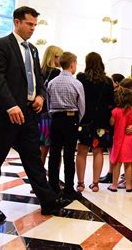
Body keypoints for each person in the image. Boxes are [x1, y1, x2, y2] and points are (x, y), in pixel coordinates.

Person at [0, 6, 68, 221]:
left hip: (28, 115)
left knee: (33, 159)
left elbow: (39, 79)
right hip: (6, 114)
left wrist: (40, 96)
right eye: (29, 24)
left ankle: (47, 201)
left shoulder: (34, 50)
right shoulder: (1, 45)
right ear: (17, 22)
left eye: (35, 25)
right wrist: (11, 105)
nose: (32, 29)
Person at [47, 52, 85, 200]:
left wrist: (54, 116)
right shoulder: (76, 83)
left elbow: (48, 103)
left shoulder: (51, 83)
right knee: (69, 155)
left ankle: (53, 186)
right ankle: (69, 188)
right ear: (72, 64)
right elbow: (82, 106)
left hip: (55, 120)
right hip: (71, 119)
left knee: (54, 154)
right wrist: (78, 120)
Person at [75, 52, 114, 192]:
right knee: (98, 151)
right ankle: (96, 183)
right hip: (101, 122)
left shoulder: (81, 78)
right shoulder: (108, 81)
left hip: (84, 120)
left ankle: (80, 183)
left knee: (81, 151)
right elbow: (112, 103)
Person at [108, 86, 132, 192]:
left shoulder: (115, 111)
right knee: (128, 163)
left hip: (118, 140)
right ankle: (129, 185)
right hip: (129, 141)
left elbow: (112, 123)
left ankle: (113, 185)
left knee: (117, 163)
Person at [38, 45, 63, 164]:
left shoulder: (39, 70)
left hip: (39, 113)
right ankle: (53, 179)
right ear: (55, 57)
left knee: (41, 148)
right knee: (54, 149)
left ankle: (39, 174)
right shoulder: (56, 72)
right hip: (50, 114)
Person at [99, 72, 125, 184]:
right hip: (116, 123)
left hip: (114, 123)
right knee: (111, 150)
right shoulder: (119, 94)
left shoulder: (117, 94)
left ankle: (111, 173)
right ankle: (111, 173)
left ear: (117, 83)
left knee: (112, 150)